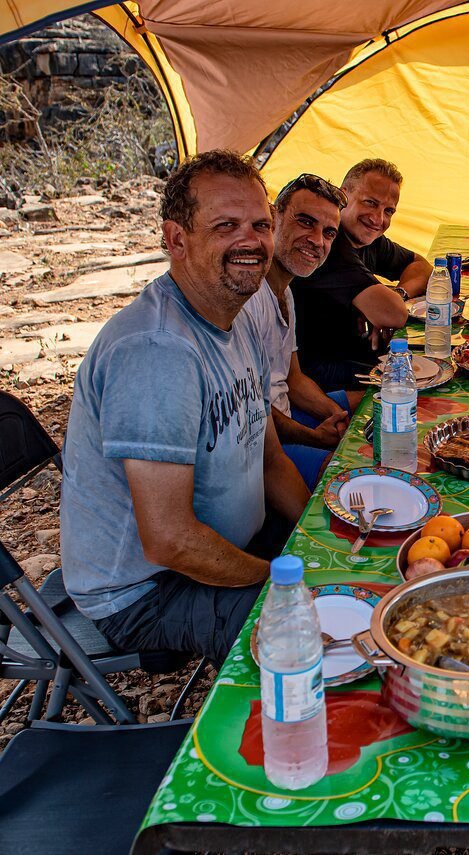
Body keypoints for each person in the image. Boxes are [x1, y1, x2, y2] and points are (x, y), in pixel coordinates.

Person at [60, 150, 311, 663]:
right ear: (177, 239)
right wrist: (278, 579)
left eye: (261, 225)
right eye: (226, 226)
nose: (252, 241)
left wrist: (316, 537)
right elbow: (171, 541)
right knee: (312, 639)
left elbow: (270, 459)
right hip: (147, 591)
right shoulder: (157, 352)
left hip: (226, 548)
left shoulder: (235, 315)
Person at [241, 172, 353, 489]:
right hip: (260, 443)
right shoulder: (248, 298)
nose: (317, 240)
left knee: (369, 404)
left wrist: (337, 415)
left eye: (329, 233)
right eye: (305, 222)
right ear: (273, 218)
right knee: (348, 479)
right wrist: (316, 437)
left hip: (285, 414)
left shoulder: (285, 292)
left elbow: (293, 378)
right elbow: (253, 413)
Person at [293, 158, 430, 390]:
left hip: (352, 355)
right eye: (370, 203)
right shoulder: (329, 246)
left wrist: (397, 293)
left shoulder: (368, 239)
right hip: (318, 375)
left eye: (388, 211)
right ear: (343, 195)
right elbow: (394, 314)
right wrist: (386, 306)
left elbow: (421, 266)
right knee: (418, 387)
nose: (378, 219)